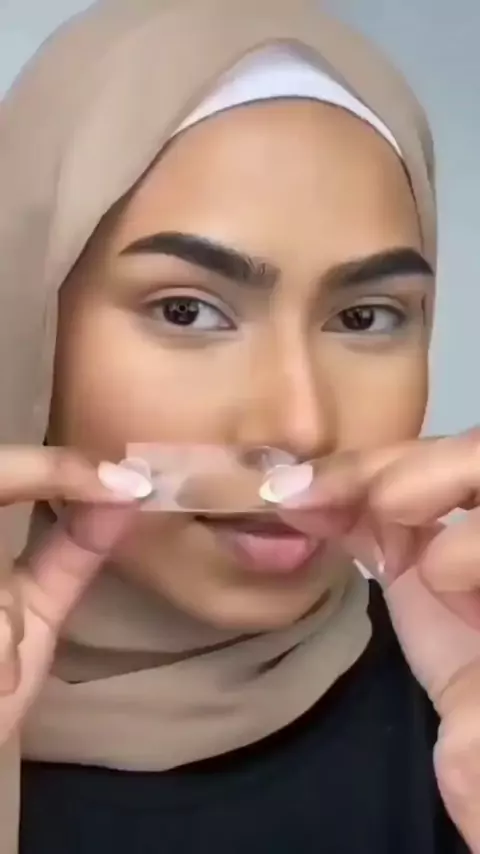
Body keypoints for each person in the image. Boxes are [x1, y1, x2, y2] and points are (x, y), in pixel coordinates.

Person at [0, 0, 478, 851]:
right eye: (186, 311)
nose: (301, 423)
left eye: (365, 318)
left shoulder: (460, 718)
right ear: (29, 327)